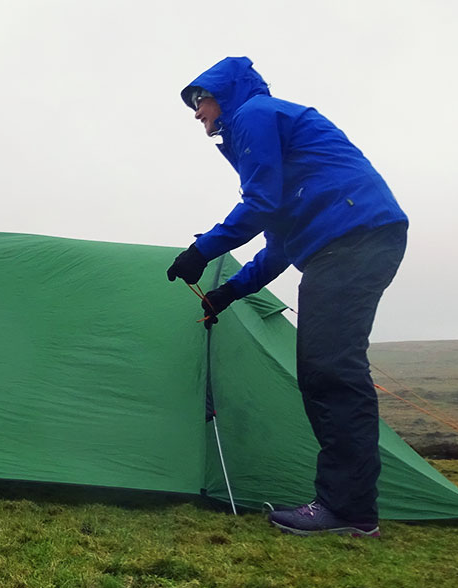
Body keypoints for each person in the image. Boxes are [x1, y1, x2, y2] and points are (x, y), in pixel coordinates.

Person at [166, 57, 407, 537]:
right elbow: (279, 244)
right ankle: (351, 507)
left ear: (223, 93)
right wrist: (229, 293)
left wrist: (202, 249)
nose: (197, 113)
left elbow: (260, 205)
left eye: (200, 99)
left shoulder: (254, 114)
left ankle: (348, 509)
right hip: (348, 239)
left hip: (353, 236)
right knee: (325, 369)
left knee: (332, 371)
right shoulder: (264, 138)